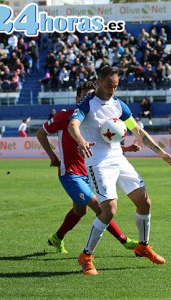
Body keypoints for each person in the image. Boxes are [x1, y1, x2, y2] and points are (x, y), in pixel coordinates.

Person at [68, 66, 171, 275]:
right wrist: (80, 139)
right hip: (98, 160)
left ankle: (143, 246)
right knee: (109, 209)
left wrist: (161, 152)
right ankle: (86, 256)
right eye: (109, 85)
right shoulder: (87, 103)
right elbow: (73, 125)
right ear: (98, 82)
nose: (112, 89)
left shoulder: (119, 105)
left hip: (118, 157)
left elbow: (138, 131)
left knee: (144, 201)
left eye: (115, 86)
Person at [37, 81, 141, 254]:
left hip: (88, 172)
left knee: (79, 210)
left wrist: (126, 149)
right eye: (85, 95)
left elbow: (101, 145)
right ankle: (125, 241)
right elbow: (41, 132)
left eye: (91, 95)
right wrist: (52, 156)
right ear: (77, 98)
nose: (88, 98)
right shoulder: (66, 116)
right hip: (70, 174)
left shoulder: (96, 120)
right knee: (101, 208)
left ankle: (56, 238)